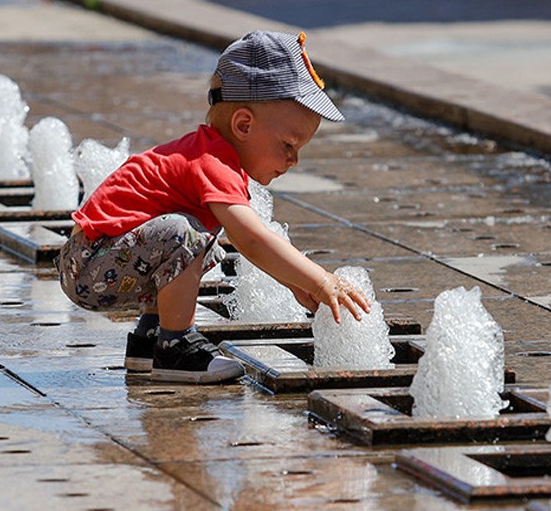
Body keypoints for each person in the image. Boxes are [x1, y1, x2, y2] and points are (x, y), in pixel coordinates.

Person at [55, 30, 371, 384]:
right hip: (89, 266)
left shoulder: (210, 154)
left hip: (95, 262)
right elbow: (252, 239)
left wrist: (293, 282)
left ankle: (149, 338)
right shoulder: (212, 161)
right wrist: (319, 278)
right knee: (187, 236)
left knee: (199, 242)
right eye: (288, 145)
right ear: (243, 124)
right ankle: (175, 349)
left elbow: (249, 245)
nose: (294, 160)